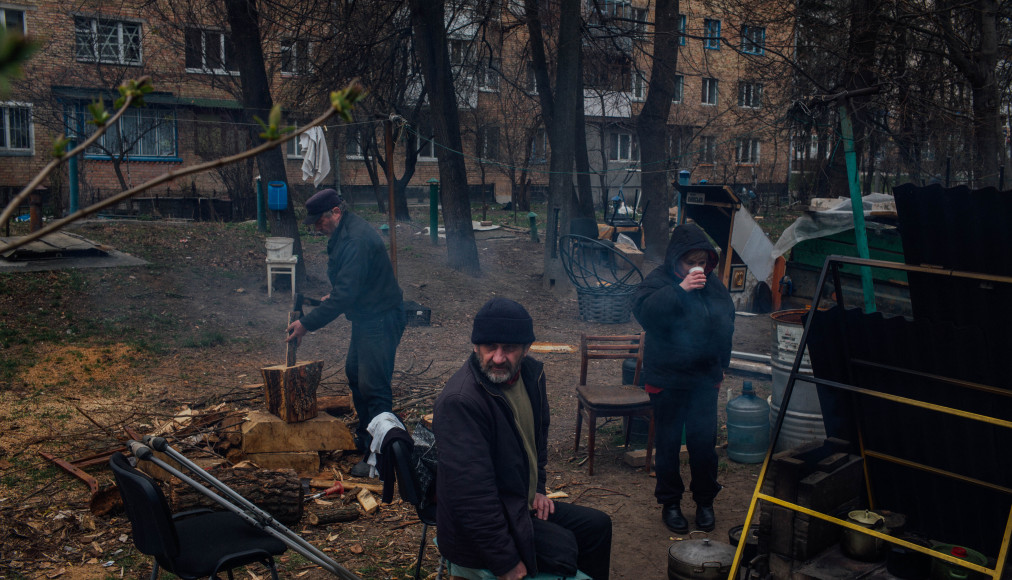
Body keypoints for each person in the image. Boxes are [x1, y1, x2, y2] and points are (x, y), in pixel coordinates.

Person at [434, 298, 612, 580]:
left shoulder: (530, 375)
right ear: (476, 346)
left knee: (598, 526)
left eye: (510, 348)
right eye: (490, 346)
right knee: (565, 551)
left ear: (527, 349)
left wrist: (538, 488)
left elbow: (537, 443)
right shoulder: (462, 401)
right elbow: (471, 497)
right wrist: (505, 562)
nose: (498, 357)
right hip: (480, 531)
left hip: (518, 504)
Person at [286, 189, 405, 478]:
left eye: (319, 221)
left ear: (336, 212)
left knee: (374, 386)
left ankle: (381, 458)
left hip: (381, 318)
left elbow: (346, 295)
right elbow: (349, 284)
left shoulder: (355, 239)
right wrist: (337, 293)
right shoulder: (343, 234)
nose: (316, 227)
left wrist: (306, 324)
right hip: (367, 316)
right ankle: (368, 439)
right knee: (355, 374)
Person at [632, 223, 735, 534]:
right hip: (667, 378)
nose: (697, 268)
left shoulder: (713, 285)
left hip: (704, 379)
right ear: (676, 259)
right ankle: (671, 504)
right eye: (691, 262)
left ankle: (705, 502)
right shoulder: (658, 281)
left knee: (704, 444)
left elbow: (727, 321)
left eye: (702, 262)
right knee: (667, 444)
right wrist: (681, 290)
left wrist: (721, 364)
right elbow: (646, 313)